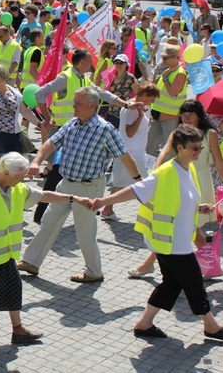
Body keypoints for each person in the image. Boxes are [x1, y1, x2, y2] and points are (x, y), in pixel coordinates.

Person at [91, 125, 223, 342]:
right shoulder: (165, 173)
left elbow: (180, 200)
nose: (199, 151)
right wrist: (104, 201)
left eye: (200, 147)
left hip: (175, 240)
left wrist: (200, 208)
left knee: (172, 284)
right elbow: (135, 191)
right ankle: (211, 326)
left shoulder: (187, 168)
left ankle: (144, 324)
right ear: (180, 148)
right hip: (172, 243)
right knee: (194, 284)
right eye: (194, 148)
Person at [0, 152, 93, 350]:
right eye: (19, 177)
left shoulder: (17, 189)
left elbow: (45, 195)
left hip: (6, 256)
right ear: (5, 173)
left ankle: (18, 329)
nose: (22, 181)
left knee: (14, 289)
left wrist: (74, 198)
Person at [17, 87, 142, 282]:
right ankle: (31, 262)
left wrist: (138, 182)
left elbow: (124, 156)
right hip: (65, 184)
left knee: (85, 233)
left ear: (91, 106)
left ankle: (94, 272)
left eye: (78, 103)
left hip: (89, 188)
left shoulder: (105, 129)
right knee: (48, 222)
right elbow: (51, 143)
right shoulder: (72, 124)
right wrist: (36, 161)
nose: (73, 106)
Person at [128, 99, 223, 277]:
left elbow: (218, 161)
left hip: (201, 182)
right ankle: (211, 264)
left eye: (190, 116)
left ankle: (209, 264)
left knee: (189, 228)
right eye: (183, 116)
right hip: (181, 180)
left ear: (199, 116)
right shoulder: (178, 133)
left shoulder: (210, 134)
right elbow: (163, 153)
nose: (186, 119)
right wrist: (156, 173)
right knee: (184, 227)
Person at [100, 82, 161, 221]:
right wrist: (140, 117)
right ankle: (152, 213)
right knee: (139, 183)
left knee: (123, 183)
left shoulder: (143, 107)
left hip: (137, 152)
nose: (152, 102)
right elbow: (129, 132)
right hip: (130, 152)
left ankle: (107, 209)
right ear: (145, 95)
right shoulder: (131, 108)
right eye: (151, 99)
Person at [0, 65, 41, 162]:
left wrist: (40, 124)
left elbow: (25, 112)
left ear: (4, 77)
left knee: (17, 165)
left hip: (13, 136)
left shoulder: (16, 94)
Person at [146, 45, 188, 156]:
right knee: (149, 148)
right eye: (163, 57)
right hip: (157, 115)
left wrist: (164, 78)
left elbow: (173, 92)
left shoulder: (179, 73)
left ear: (175, 58)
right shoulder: (168, 70)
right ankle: (152, 169)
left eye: (166, 58)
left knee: (171, 150)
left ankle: (171, 171)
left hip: (170, 117)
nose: (163, 60)